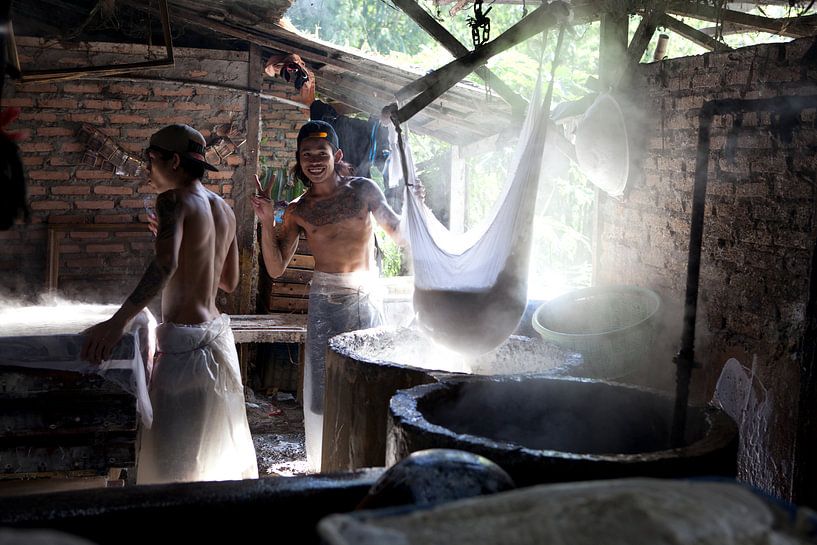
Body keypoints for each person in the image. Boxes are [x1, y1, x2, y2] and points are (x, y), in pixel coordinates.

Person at [81, 124, 258, 484]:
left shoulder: (172, 200)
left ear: (174, 161)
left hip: (184, 348)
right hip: (215, 337)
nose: (149, 170)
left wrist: (116, 323)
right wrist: (183, 248)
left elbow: (165, 266)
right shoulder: (223, 208)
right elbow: (229, 282)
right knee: (204, 458)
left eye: (151, 160)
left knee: (171, 465)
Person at [251, 119, 406, 471]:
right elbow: (275, 268)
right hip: (325, 301)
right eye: (306, 154)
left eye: (321, 153)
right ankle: (328, 464)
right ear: (299, 160)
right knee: (324, 388)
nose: (314, 161)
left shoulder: (363, 190)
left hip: (366, 296)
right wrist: (266, 221)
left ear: (336, 155)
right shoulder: (299, 209)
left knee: (370, 376)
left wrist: (416, 206)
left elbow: (398, 234)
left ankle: (370, 461)